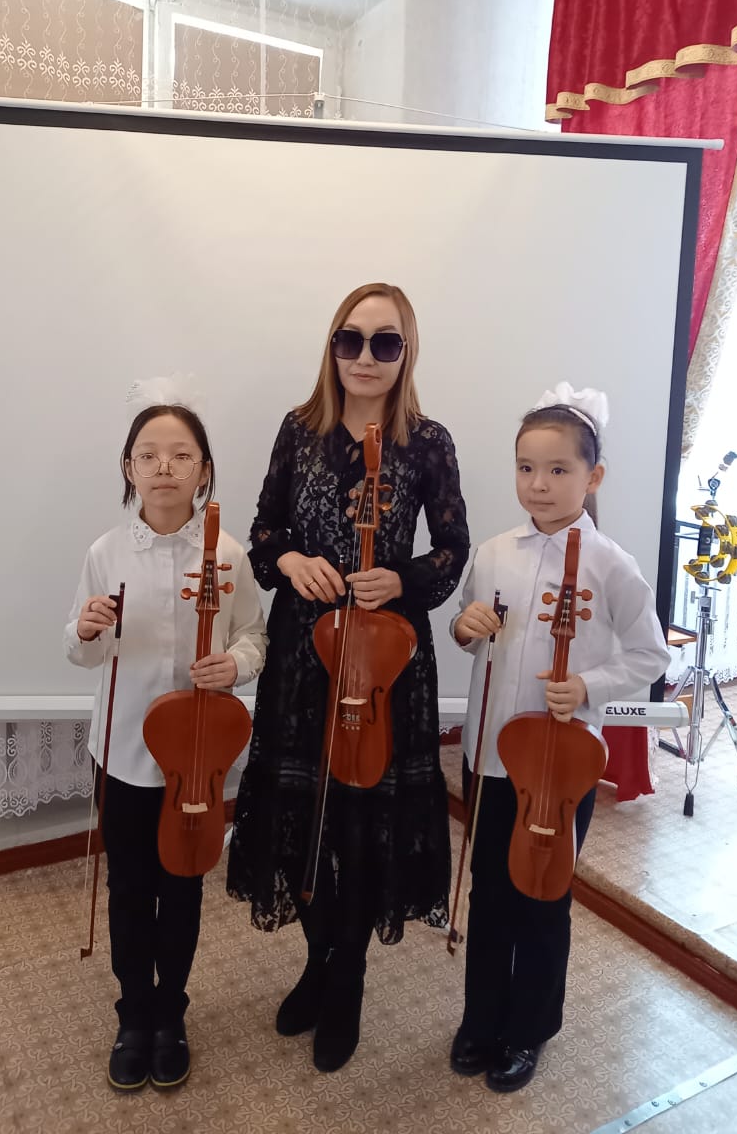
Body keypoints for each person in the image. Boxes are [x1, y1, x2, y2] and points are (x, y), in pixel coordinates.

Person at [226, 282, 470, 1072]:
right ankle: (319, 958)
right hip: (305, 655)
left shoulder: (428, 442)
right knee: (302, 818)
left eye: (385, 342)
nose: (366, 356)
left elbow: (453, 551)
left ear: (406, 353)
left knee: (364, 825)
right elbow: (263, 533)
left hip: (386, 660)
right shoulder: (298, 431)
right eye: (350, 339)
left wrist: (401, 579)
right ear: (332, 348)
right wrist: (292, 561)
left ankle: (349, 977)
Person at [449, 383, 669, 1093]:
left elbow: (650, 654)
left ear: (592, 476)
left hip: (559, 765)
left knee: (543, 895)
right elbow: (467, 625)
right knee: (490, 890)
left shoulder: (611, 564)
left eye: (557, 470)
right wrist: (465, 627)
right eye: (525, 468)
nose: (538, 484)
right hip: (491, 754)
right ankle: (481, 1019)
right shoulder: (493, 553)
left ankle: (529, 1029)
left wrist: (588, 687)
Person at [65, 380, 266, 1092]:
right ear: (129, 468)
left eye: (182, 455)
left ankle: (171, 1013)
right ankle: (133, 1014)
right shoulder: (105, 552)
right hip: (123, 752)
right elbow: (80, 651)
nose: (164, 467)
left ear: (204, 469)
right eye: (148, 454)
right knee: (129, 886)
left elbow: (253, 635)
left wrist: (234, 665)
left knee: (182, 886)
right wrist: (86, 628)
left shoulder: (226, 553)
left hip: (196, 761)